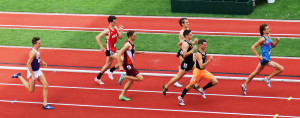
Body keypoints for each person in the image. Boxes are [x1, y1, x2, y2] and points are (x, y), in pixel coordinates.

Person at [11, 37, 54, 109]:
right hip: (32, 72)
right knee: (31, 90)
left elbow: (36, 59)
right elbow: (28, 64)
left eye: (40, 43)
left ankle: (45, 105)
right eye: (39, 43)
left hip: (38, 71)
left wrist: (41, 61)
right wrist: (33, 75)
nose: (40, 44)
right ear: (35, 44)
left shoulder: (37, 50)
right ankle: (19, 76)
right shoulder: (33, 52)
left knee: (45, 85)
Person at [241, 24, 284, 95]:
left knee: (255, 73)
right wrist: (258, 56)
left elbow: (273, 46)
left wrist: (277, 41)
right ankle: (268, 78)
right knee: (281, 68)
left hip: (266, 59)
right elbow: (253, 47)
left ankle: (244, 85)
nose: (269, 30)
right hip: (265, 59)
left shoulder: (269, 37)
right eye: (267, 29)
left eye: (269, 28)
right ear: (264, 31)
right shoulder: (262, 39)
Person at [178, 39, 218, 106]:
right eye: (205, 45)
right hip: (198, 72)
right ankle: (180, 97)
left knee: (215, 82)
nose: (206, 46)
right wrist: (209, 60)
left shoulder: (204, 51)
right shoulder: (198, 54)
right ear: (200, 45)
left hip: (203, 71)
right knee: (190, 86)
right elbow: (201, 66)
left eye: (206, 45)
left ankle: (202, 89)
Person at [162, 30, 197, 95]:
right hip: (186, 64)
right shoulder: (185, 43)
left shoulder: (188, 42)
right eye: (190, 35)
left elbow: (178, 44)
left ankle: (196, 85)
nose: (192, 35)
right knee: (178, 77)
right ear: (186, 36)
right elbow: (185, 54)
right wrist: (192, 49)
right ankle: (166, 86)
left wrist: (193, 42)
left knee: (199, 70)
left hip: (191, 62)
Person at [94, 15, 124, 85]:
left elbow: (120, 37)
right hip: (109, 51)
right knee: (122, 59)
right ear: (110, 22)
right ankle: (111, 70)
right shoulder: (107, 30)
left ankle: (98, 78)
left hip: (113, 50)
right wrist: (101, 47)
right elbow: (97, 37)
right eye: (114, 22)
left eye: (116, 22)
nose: (115, 23)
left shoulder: (115, 28)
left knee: (107, 65)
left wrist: (121, 30)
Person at [117, 30, 144, 101]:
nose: (135, 37)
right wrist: (120, 66)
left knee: (131, 80)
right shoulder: (127, 44)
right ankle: (124, 76)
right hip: (127, 64)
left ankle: (122, 95)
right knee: (140, 78)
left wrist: (140, 52)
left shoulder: (131, 43)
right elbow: (119, 53)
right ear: (130, 36)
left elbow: (132, 52)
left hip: (129, 64)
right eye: (134, 36)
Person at [174, 18, 198, 87]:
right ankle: (175, 81)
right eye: (186, 22)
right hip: (183, 52)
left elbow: (189, 43)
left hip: (188, 51)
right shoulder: (182, 33)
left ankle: (194, 81)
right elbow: (186, 44)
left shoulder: (187, 30)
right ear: (182, 24)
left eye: (188, 22)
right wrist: (194, 42)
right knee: (184, 69)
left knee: (195, 65)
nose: (188, 23)